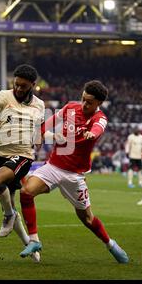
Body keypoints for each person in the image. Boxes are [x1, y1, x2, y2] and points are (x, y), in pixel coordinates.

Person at [19, 80, 129, 264]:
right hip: (53, 166)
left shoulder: (99, 118)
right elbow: (49, 122)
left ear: (99, 104)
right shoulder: (71, 107)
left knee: (86, 218)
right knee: (26, 192)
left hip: (74, 176)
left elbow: (98, 128)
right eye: (83, 99)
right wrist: (40, 133)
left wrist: (91, 134)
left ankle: (110, 244)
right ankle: (34, 240)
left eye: (89, 102)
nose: (84, 104)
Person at [0, 64, 45, 262]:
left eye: (23, 86)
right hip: (1, 154)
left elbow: (39, 130)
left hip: (23, 156)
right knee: (8, 203)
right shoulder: (3, 96)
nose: (18, 88)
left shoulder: (39, 105)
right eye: (16, 84)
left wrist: (39, 139)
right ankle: (29, 244)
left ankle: (9, 215)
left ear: (32, 85)